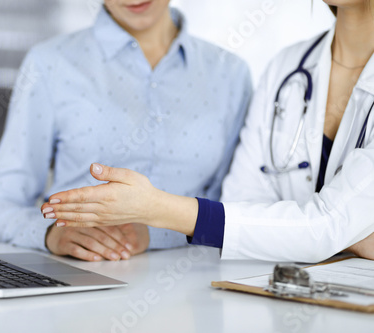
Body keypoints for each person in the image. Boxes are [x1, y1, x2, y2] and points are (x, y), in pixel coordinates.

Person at [41, 0, 374, 263]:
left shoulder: (229, 72)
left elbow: (323, 226)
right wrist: (345, 235)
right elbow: (242, 203)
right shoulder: (285, 69)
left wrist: (155, 207)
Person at [0, 0, 252, 262]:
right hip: (78, 276)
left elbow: (238, 211)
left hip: (195, 284)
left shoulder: (231, 74)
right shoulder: (49, 63)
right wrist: (49, 234)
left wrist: (153, 232)